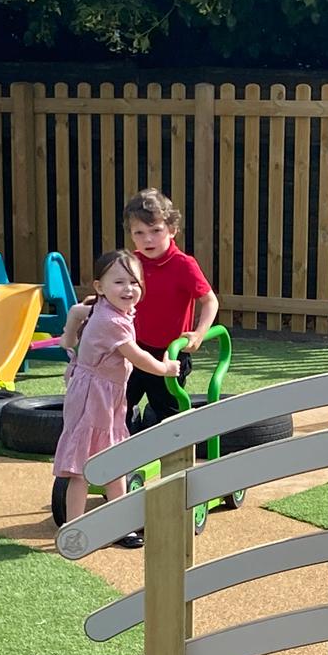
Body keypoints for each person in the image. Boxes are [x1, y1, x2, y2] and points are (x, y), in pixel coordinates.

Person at [53, 250, 180, 548]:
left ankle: (117, 525)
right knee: (85, 465)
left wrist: (68, 338)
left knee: (112, 456)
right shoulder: (113, 321)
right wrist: (165, 368)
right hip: (93, 396)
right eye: (119, 282)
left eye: (134, 282)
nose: (128, 289)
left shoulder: (102, 308)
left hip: (103, 393)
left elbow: (75, 311)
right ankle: (75, 529)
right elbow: (137, 357)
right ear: (100, 287)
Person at [123, 189, 219, 431]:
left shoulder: (183, 265)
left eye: (156, 231)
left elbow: (210, 301)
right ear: (132, 236)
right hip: (132, 350)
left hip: (169, 355)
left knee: (167, 413)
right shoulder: (130, 263)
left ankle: (172, 461)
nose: (148, 240)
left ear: (172, 229)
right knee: (118, 405)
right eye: (140, 233)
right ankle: (117, 457)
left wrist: (198, 334)